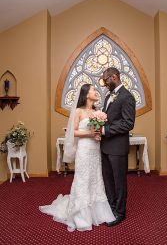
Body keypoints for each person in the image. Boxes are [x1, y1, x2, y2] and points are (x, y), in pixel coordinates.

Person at [39, 84, 115, 232]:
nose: (96, 92)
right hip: (84, 149)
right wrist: (90, 134)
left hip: (95, 149)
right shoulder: (78, 111)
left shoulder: (97, 111)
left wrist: (98, 134)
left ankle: (97, 211)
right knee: (83, 179)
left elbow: (98, 130)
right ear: (86, 94)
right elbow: (73, 132)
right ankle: (80, 214)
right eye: (93, 90)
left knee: (96, 179)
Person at [100, 67, 136, 227]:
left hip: (118, 147)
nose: (105, 85)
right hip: (105, 146)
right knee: (108, 181)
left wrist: (104, 130)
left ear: (113, 77)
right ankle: (111, 208)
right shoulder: (109, 95)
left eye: (106, 81)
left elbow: (128, 123)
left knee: (119, 182)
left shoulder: (127, 97)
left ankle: (120, 213)